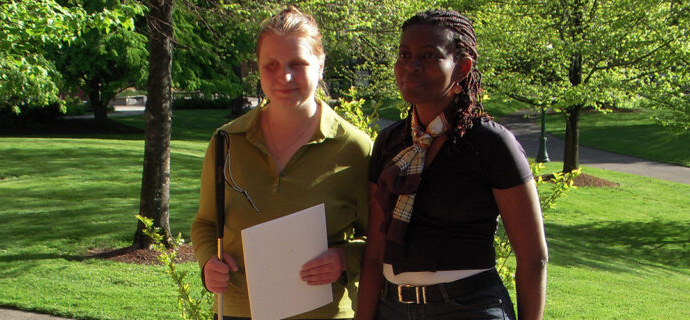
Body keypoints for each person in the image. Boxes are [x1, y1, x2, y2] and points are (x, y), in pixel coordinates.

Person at [354, 9, 548, 320]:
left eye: (429, 56)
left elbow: (533, 258)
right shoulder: (390, 143)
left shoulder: (490, 144)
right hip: (392, 308)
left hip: (469, 308)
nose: (411, 66)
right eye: (405, 54)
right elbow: (375, 254)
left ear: (462, 67)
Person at [190, 5, 372, 320]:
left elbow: (377, 241)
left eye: (297, 63)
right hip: (240, 311)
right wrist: (208, 262)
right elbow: (205, 224)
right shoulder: (227, 142)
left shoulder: (354, 148)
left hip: (323, 313)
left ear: (320, 64)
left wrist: (345, 257)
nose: (283, 77)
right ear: (256, 68)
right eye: (270, 65)